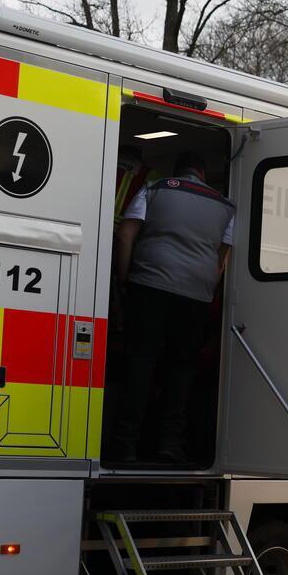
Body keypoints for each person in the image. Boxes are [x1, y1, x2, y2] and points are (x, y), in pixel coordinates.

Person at [102, 156, 235, 464]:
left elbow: (125, 235)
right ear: (202, 175)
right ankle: (169, 445)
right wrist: (204, 291)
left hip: (150, 285)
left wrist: (124, 280)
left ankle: (126, 447)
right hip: (195, 296)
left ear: (178, 173)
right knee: (181, 369)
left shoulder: (154, 188)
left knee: (140, 363)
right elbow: (221, 259)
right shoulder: (226, 205)